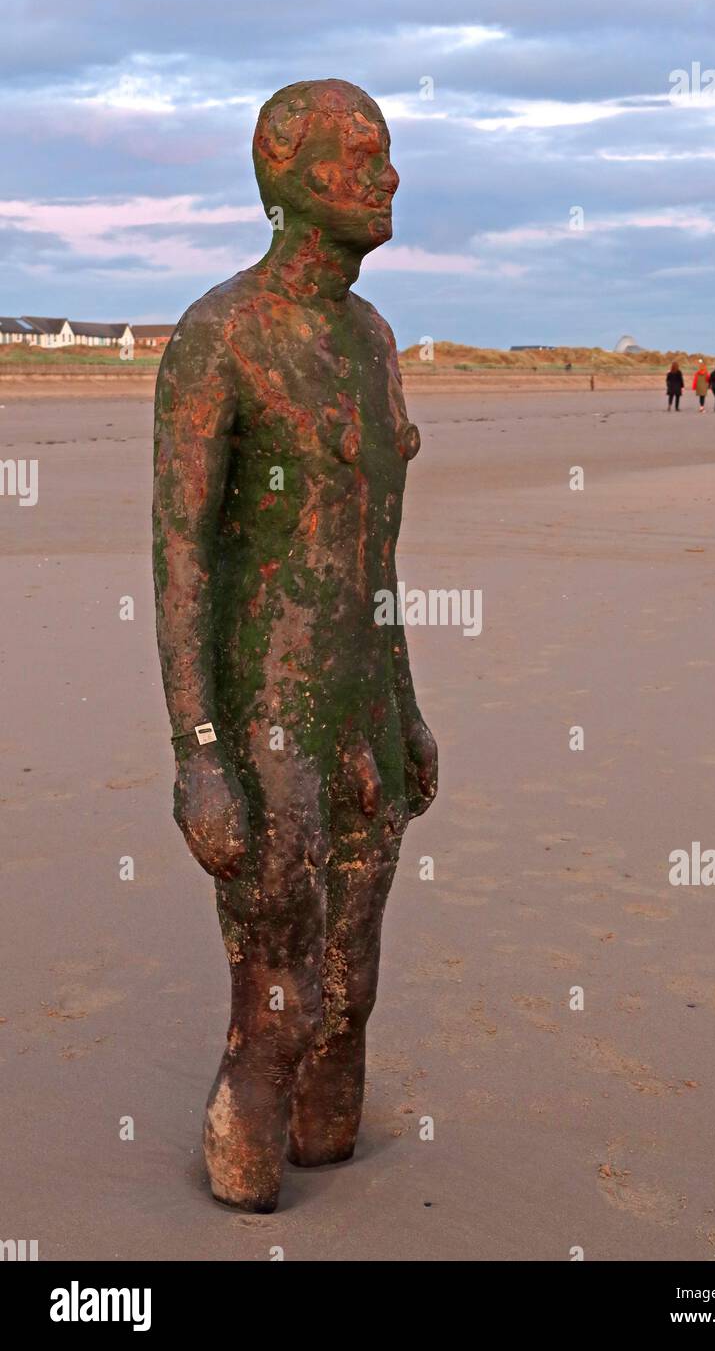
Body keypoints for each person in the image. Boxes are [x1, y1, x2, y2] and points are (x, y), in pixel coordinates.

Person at [152, 79, 438, 1213]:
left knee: (352, 980)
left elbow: (375, 554)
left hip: (362, 702)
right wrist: (199, 751)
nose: (387, 176)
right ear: (285, 171)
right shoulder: (220, 336)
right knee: (279, 987)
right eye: (359, 154)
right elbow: (180, 563)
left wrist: (406, 706)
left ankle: (328, 1147)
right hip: (266, 716)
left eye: (388, 151)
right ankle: (242, 1176)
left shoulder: (370, 339)